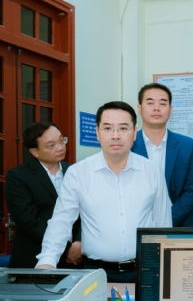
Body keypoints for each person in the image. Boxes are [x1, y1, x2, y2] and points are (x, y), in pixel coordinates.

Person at [37, 101, 172, 282]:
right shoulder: (78, 173)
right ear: (97, 133)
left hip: (146, 269)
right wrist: (47, 262)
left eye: (123, 128)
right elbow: (61, 222)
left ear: (134, 133)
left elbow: (163, 223)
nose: (115, 135)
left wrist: (165, 267)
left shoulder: (152, 171)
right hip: (96, 272)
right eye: (107, 128)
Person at [6, 122, 82, 268]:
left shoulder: (74, 171)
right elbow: (28, 221)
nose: (60, 147)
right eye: (51, 145)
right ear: (34, 152)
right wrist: (66, 249)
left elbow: (88, 211)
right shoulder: (19, 177)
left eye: (61, 140)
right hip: (35, 256)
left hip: (77, 258)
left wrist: (78, 243)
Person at [132, 83, 193, 227]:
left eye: (162, 103)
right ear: (139, 108)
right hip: (137, 226)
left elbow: (192, 191)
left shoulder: (188, 146)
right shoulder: (128, 146)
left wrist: (166, 222)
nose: (156, 108)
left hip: (180, 226)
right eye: (150, 103)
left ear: (170, 109)